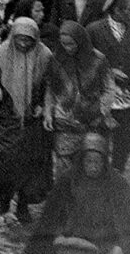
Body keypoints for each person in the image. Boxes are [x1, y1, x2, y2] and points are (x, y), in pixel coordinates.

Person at [23, 133, 130, 254]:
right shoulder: (68, 179)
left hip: (103, 245)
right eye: (89, 161)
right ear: (81, 160)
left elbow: (127, 221)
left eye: (97, 162)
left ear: (105, 162)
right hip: (71, 242)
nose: (93, 167)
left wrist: (120, 246)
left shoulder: (117, 184)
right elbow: (50, 218)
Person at [0, 16, 54, 222]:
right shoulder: (2, 52)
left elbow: (51, 85)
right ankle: (4, 198)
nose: (24, 44)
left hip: (32, 120)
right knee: (5, 160)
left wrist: (44, 106)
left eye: (28, 40)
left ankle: (24, 204)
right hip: (8, 115)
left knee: (30, 164)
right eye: (20, 39)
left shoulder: (45, 56)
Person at [87, 0, 130, 171]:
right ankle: (98, 173)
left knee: (124, 140)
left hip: (129, 98)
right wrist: (108, 71)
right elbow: (84, 62)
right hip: (102, 98)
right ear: (117, 10)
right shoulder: (94, 30)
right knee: (99, 140)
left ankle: (117, 172)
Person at [46, 20, 112, 184]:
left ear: (81, 41)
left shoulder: (98, 60)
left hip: (91, 121)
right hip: (65, 121)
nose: (68, 48)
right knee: (64, 167)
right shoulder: (57, 60)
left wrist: (102, 111)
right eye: (64, 44)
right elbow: (50, 89)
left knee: (90, 163)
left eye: (72, 44)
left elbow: (108, 89)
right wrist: (48, 112)